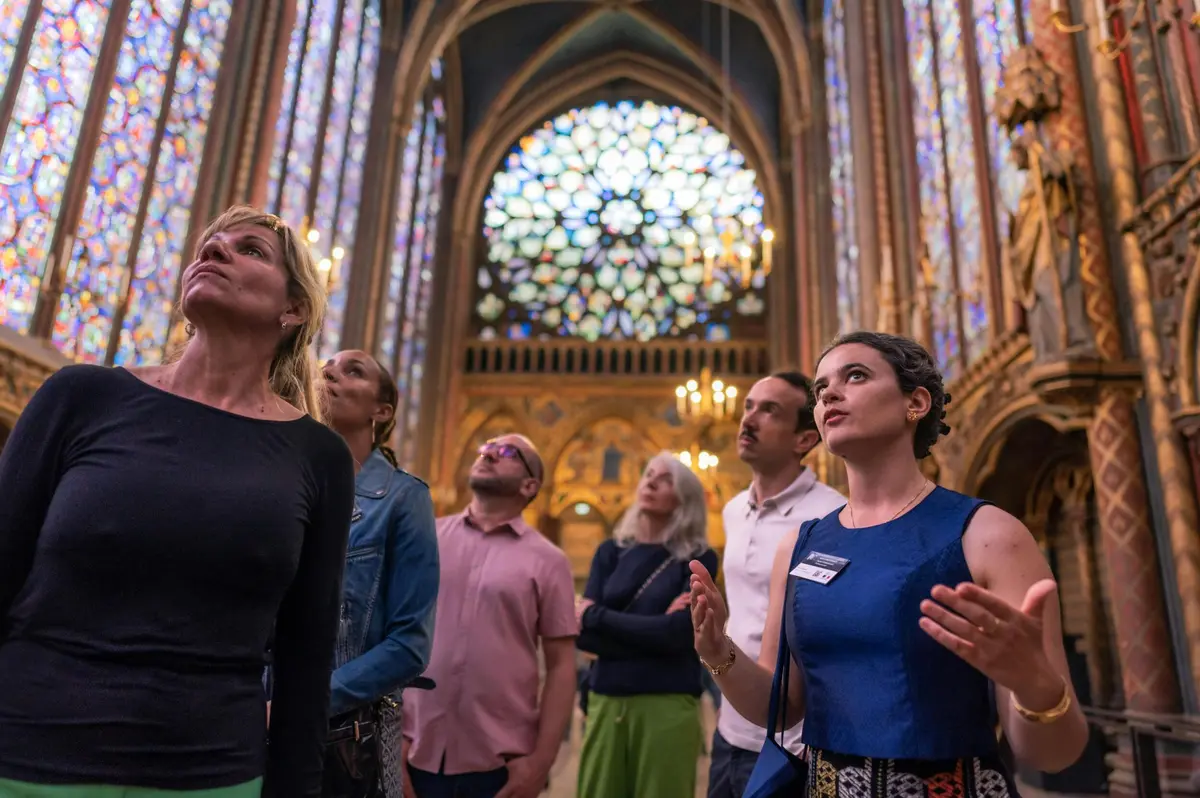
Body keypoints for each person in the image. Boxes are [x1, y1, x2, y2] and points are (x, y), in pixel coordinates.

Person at [0, 205, 355, 797]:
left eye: (250, 250)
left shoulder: (317, 455)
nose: (211, 251)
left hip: (207, 773)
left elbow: (305, 655)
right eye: (209, 244)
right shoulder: (82, 396)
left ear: (293, 310)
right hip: (29, 753)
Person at [689, 331, 1088, 796]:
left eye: (855, 376)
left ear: (915, 402)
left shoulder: (989, 535)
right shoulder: (798, 545)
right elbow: (782, 708)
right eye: (820, 390)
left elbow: (1054, 754)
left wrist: (1033, 682)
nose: (830, 394)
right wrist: (718, 652)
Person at [403, 434, 577, 798]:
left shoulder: (549, 560)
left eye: (507, 453)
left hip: (499, 764)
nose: (488, 455)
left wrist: (540, 763)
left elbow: (562, 666)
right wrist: (390, 741)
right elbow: (392, 635)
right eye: (485, 449)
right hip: (413, 750)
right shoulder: (426, 537)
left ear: (530, 485)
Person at [707, 371, 845, 798]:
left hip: (794, 743)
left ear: (804, 439)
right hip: (729, 729)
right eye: (749, 406)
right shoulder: (733, 510)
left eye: (770, 411)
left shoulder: (832, 514)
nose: (749, 419)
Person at [321, 350, 440, 798]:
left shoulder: (402, 500)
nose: (330, 371)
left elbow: (410, 646)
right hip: (248, 724)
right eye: (326, 365)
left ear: (382, 410)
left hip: (340, 740)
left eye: (353, 370)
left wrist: (305, 704)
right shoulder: (281, 484)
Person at [575, 453, 719, 798]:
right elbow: (585, 636)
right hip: (606, 698)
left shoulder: (698, 557)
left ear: (684, 498)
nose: (650, 482)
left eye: (664, 479)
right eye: (648, 474)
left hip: (667, 702)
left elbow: (678, 635)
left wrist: (597, 615)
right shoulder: (610, 552)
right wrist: (654, 626)